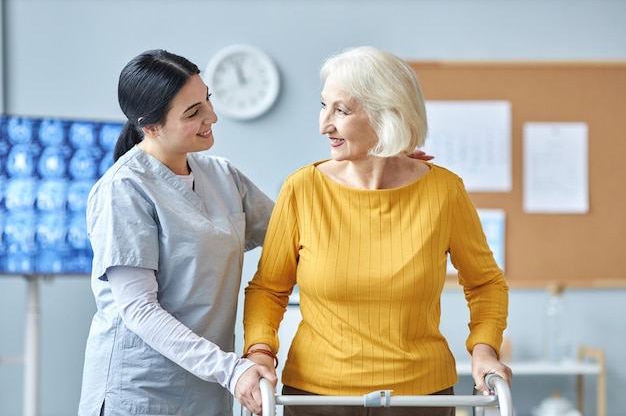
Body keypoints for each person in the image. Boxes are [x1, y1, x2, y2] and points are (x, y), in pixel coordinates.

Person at [242, 46, 512, 416]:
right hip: (317, 397)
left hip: (421, 397)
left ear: (388, 115)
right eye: (324, 106)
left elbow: (485, 283)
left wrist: (484, 348)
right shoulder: (302, 189)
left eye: (342, 110)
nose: (324, 125)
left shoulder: (444, 192)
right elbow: (269, 289)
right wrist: (260, 351)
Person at [77, 49, 278, 416]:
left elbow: (296, 229)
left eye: (207, 100)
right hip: (140, 393)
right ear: (150, 127)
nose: (212, 117)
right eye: (193, 112)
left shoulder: (223, 176)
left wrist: (382, 165)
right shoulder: (124, 189)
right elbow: (138, 308)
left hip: (206, 390)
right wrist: (233, 371)